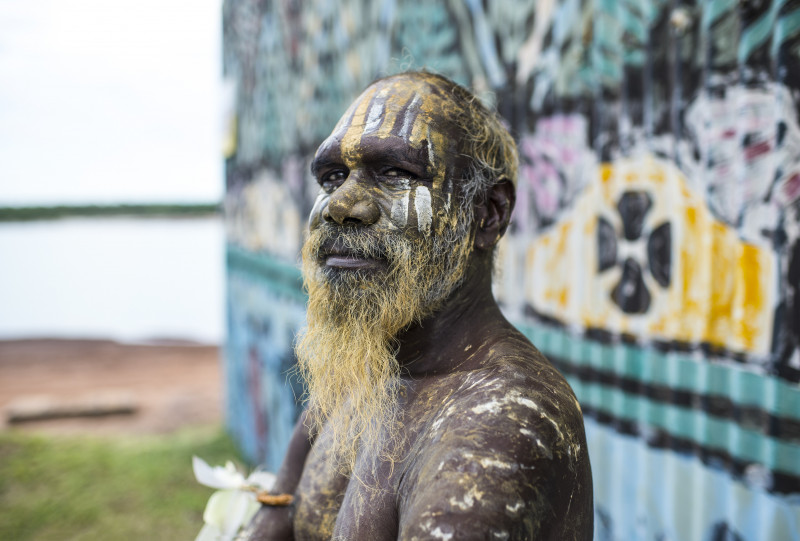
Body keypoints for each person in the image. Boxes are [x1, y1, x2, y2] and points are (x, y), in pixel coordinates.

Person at [243, 71, 593, 540]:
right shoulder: (367, 363)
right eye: (331, 177)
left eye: (394, 173)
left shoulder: (502, 420)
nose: (340, 204)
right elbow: (276, 512)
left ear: (487, 214)